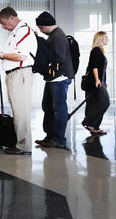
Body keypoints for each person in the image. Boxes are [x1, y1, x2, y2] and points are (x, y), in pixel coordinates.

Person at [0, 7, 37, 155]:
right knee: (17, 111)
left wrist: (1, 55)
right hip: (13, 75)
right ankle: (21, 143)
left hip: (20, 75)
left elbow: (21, 56)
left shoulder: (23, 31)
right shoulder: (15, 33)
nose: (3, 27)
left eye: (3, 23)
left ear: (12, 18)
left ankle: (24, 146)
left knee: (21, 111)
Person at [34, 11, 74, 151]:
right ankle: (50, 137)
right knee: (48, 107)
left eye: (40, 27)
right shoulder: (53, 35)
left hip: (59, 78)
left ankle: (59, 140)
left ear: (46, 25)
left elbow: (58, 59)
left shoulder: (58, 37)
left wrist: (48, 72)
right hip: (54, 79)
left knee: (58, 109)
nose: (41, 30)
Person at [81, 31, 110, 135]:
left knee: (96, 103)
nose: (108, 39)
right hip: (95, 82)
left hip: (100, 82)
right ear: (101, 38)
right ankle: (89, 123)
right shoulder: (96, 50)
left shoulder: (100, 51)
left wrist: (103, 82)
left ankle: (94, 126)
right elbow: (94, 66)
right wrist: (97, 80)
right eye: (106, 37)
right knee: (104, 103)